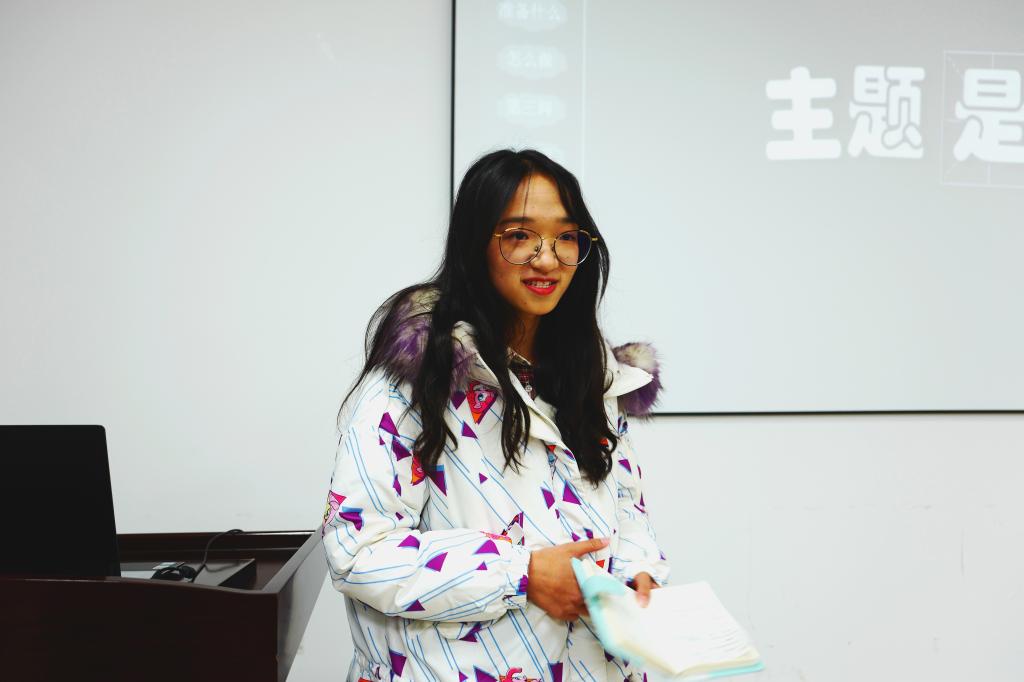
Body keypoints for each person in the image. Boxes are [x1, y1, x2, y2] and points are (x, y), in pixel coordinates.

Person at [322, 149, 669, 682]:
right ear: (475, 245)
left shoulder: (593, 379)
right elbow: (358, 549)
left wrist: (637, 571)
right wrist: (521, 574)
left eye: (566, 236)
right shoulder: (415, 380)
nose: (547, 259)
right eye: (520, 235)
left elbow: (626, 508)